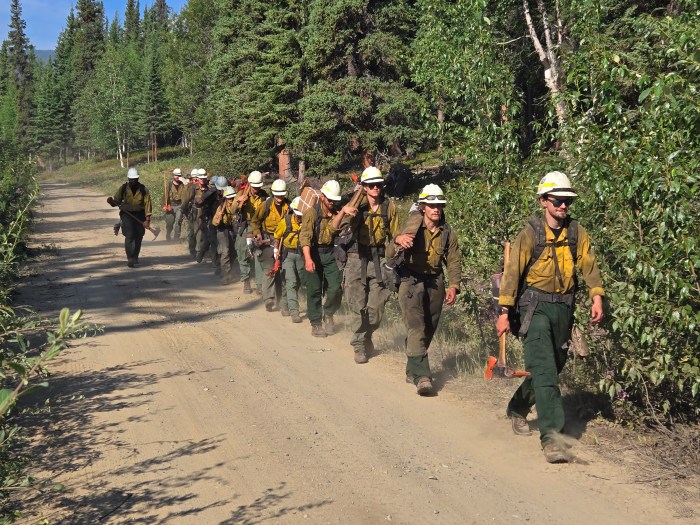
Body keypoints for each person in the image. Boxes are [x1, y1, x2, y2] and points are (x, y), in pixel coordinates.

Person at [496, 171, 604, 464]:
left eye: (567, 200)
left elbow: (589, 265)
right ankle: (553, 438)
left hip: (564, 311)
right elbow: (512, 274)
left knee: (549, 370)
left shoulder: (576, 232)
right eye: (558, 200)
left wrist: (596, 297)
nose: (563, 206)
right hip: (535, 309)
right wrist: (504, 313)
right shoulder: (530, 233)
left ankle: (517, 408)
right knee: (544, 371)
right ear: (544, 201)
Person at [393, 184, 461, 395]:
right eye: (431, 205)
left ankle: (412, 367)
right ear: (423, 206)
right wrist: (398, 240)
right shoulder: (412, 225)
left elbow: (453, 261)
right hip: (411, 280)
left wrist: (453, 286)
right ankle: (423, 376)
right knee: (416, 327)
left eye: (439, 205)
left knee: (429, 327)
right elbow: (389, 251)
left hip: (435, 281)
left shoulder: (447, 232)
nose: (436, 209)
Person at [340, 167, 399, 364]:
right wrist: (348, 209)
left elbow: (395, 236)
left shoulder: (388, 207)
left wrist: (395, 260)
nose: (376, 188)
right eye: (371, 185)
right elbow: (341, 225)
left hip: (379, 259)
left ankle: (367, 335)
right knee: (357, 304)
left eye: (378, 185)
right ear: (364, 187)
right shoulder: (357, 206)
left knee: (376, 306)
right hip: (357, 258)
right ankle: (358, 345)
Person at [300, 180, 346, 337]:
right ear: (322, 197)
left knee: (335, 287)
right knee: (314, 290)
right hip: (313, 253)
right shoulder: (312, 213)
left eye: (334, 200)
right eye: (329, 199)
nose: (332, 203)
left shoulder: (336, 212)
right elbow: (305, 237)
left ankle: (328, 313)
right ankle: (316, 323)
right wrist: (307, 259)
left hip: (330, 253)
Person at [250, 179, 290, 312]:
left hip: (283, 241)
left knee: (282, 271)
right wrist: (257, 233)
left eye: (282, 195)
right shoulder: (265, 205)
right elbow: (255, 221)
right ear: (273, 194)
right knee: (270, 270)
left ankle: (282, 301)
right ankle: (268, 299)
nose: (280, 197)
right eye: (277, 195)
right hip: (267, 240)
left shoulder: (289, 207)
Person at [107, 167, 153, 268]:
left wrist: (147, 219)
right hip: (127, 215)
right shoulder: (123, 188)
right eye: (131, 180)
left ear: (138, 179)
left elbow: (148, 204)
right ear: (128, 179)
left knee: (139, 236)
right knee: (129, 236)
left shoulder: (143, 189)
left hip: (140, 215)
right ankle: (130, 258)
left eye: (135, 179)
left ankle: (135, 256)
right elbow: (117, 201)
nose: (133, 181)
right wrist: (111, 202)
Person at [232, 170, 268, 294]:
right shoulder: (242, 193)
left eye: (258, 186)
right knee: (242, 254)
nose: (256, 189)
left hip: (258, 227)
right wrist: (238, 202)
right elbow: (232, 210)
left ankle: (259, 284)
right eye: (254, 186)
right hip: (245, 226)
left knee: (259, 255)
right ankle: (246, 280)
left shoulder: (264, 196)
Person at [273, 196, 304, 323]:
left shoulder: (307, 222)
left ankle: (284, 302)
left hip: (302, 255)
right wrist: (276, 250)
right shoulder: (284, 222)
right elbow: (277, 237)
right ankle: (294, 312)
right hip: (288, 255)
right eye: (297, 214)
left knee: (299, 282)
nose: (299, 217)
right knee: (291, 282)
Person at [212, 186, 238, 284]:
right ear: (226, 198)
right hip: (222, 230)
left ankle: (227, 270)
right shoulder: (221, 207)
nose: (231, 200)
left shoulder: (237, 206)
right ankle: (225, 275)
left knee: (232, 252)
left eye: (233, 198)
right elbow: (214, 223)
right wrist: (219, 215)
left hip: (232, 230)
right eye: (230, 198)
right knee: (225, 251)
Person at [164, 168, 191, 241]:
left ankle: (176, 238)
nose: (177, 177)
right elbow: (165, 195)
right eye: (176, 175)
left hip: (180, 205)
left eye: (179, 175)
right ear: (173, 175)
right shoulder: (169, 184)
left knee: (178, 221)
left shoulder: (183, 184)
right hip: (171, 205)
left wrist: (185, 183)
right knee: (169, 223)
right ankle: (168, 233)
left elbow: (187, 194)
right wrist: (165, 205)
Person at [186, 168, 199, 257]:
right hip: (192, 211)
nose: (195, 180)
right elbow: (186, 199)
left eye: (196, 178)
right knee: (191, 230)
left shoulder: (203, 186)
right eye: (193, 178)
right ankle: (192, 249)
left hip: (201, 212)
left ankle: (200, 249)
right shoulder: (189, 187)